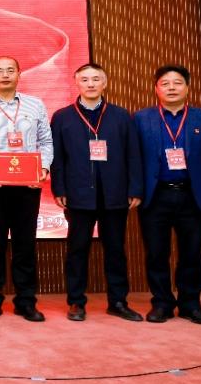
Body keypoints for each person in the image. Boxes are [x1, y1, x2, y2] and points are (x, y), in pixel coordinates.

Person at [50, 64, 144, 323]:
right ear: (76, 83)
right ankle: (76, 302)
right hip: (78, 194)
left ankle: (118, 302)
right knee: (77, 250)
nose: (90, 84)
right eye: (84, 79)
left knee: (115, 250)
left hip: (115, 193)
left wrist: (135, 188)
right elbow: (57, 157)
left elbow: (133, 154)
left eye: (95, 79)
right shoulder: (62, 117)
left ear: (105, 83)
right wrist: (60, 188)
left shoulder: (121, 116)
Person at [135, 65, 201, 325]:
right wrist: (134, 191)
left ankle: (190, 304)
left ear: (187, 88)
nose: (171, 88)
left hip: (192, 195)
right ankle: (162, 303)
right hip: (155, 196)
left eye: (177, 83)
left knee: (192, 253)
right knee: (156, 253)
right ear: (156, 89)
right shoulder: (141, 118)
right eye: (165, 83)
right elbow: (134, 158)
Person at [0, 56, 53, 322]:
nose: (5, 75)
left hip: (27, 184)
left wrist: (43, 169)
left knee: (25, 245)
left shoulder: (35, 104)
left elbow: (45, 142)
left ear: (19, 74)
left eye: (10, 70)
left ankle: (26, 302)